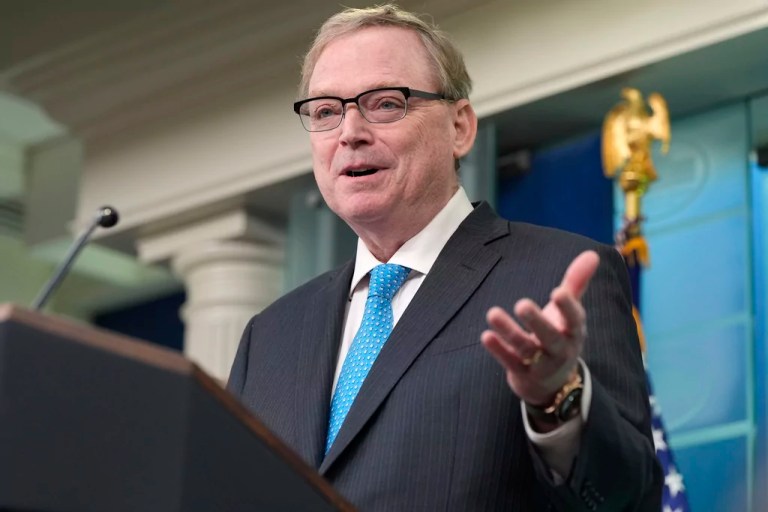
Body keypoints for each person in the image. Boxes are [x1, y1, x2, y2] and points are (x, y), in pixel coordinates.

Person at [228, 4, 662, 511]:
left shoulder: (558, 278)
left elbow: (627, 500)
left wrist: (557, 401)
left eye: (385, 103)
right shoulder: (270, 336)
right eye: (325, 111)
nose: (349, 132)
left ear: (460, 127)